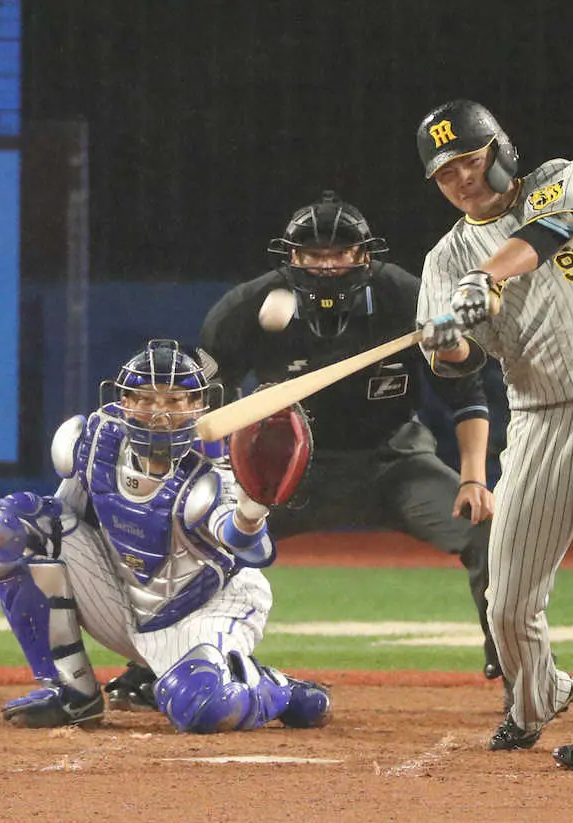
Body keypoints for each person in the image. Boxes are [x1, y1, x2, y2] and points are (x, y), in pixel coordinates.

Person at [104, 191, 512, 714]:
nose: (327, 266)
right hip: (284, 474)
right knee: (189, 539)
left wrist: (474, 478)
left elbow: (467, 394)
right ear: (290, 257)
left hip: (395, 462)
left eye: (340, 253)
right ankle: (154, 668)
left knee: (489, 534)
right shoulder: (247, 308)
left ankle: (514, 671)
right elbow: (202, 403)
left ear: (365, 255)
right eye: (313, 255)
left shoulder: (405, 298)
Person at [415, 99, 573, 770]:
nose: (463, 179)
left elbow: (550, 229)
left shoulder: (561, 179)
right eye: (446, 174)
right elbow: (460, 367)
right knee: (509, 598)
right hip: (538, 420)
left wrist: (488, 276)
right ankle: (537, 698)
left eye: (470, 160)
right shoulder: (442, 261)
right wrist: (446, 343)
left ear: (499, 150)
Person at [0, 338, 332, 733]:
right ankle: (72, 694)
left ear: (199, 405)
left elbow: (243, 543)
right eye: (146, 399)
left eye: (175, 401)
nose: (159, 414)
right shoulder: (98, 439)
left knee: (204, 710)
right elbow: (59, 519)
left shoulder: (218, 466)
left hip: (202, 605)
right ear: (125, 401)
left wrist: (252, 511)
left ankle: (280, 689)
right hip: (125, 596)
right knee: (12, 525)